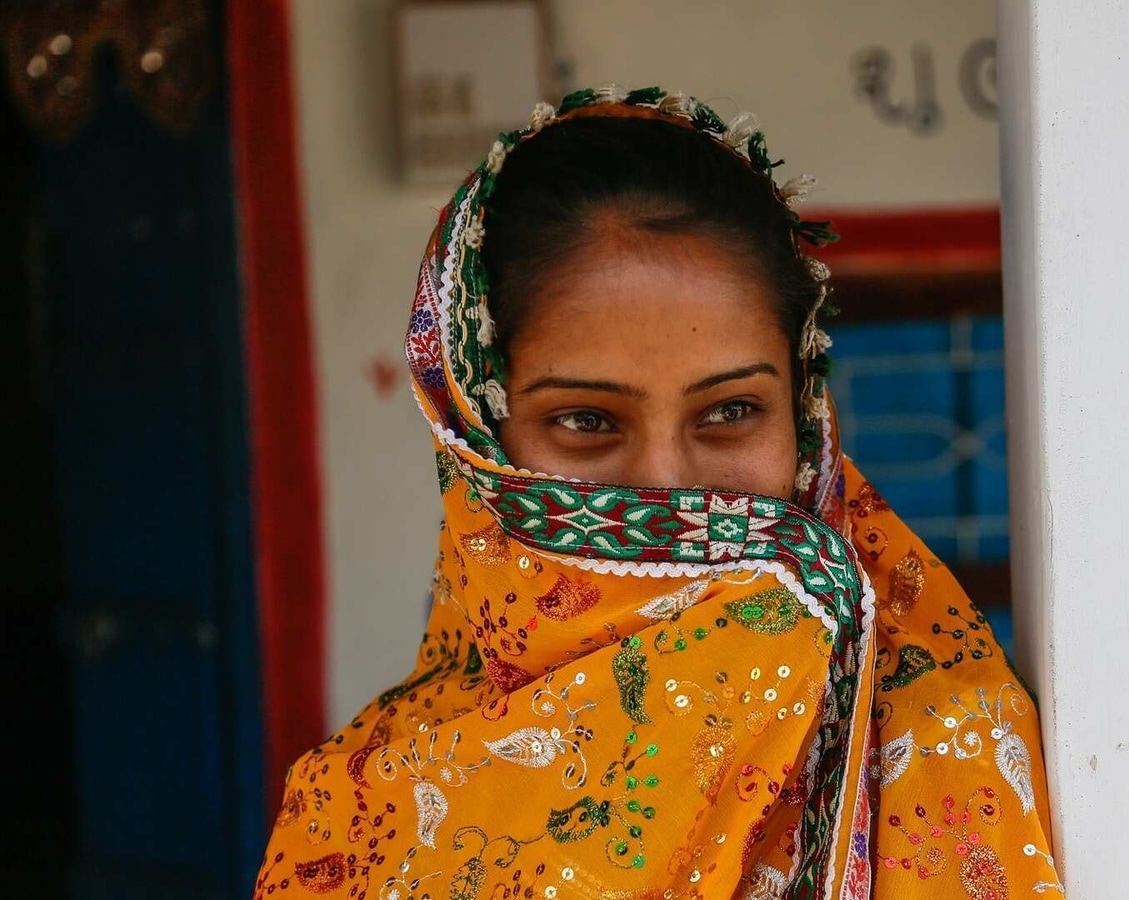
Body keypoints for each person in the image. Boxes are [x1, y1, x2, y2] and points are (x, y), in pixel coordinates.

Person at [254, 85, 1059, 900]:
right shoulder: (356, 820)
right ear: (477, 444)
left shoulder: (949, 745)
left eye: (732, 411)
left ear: (806, 418)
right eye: (585, 420)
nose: (669, 487)